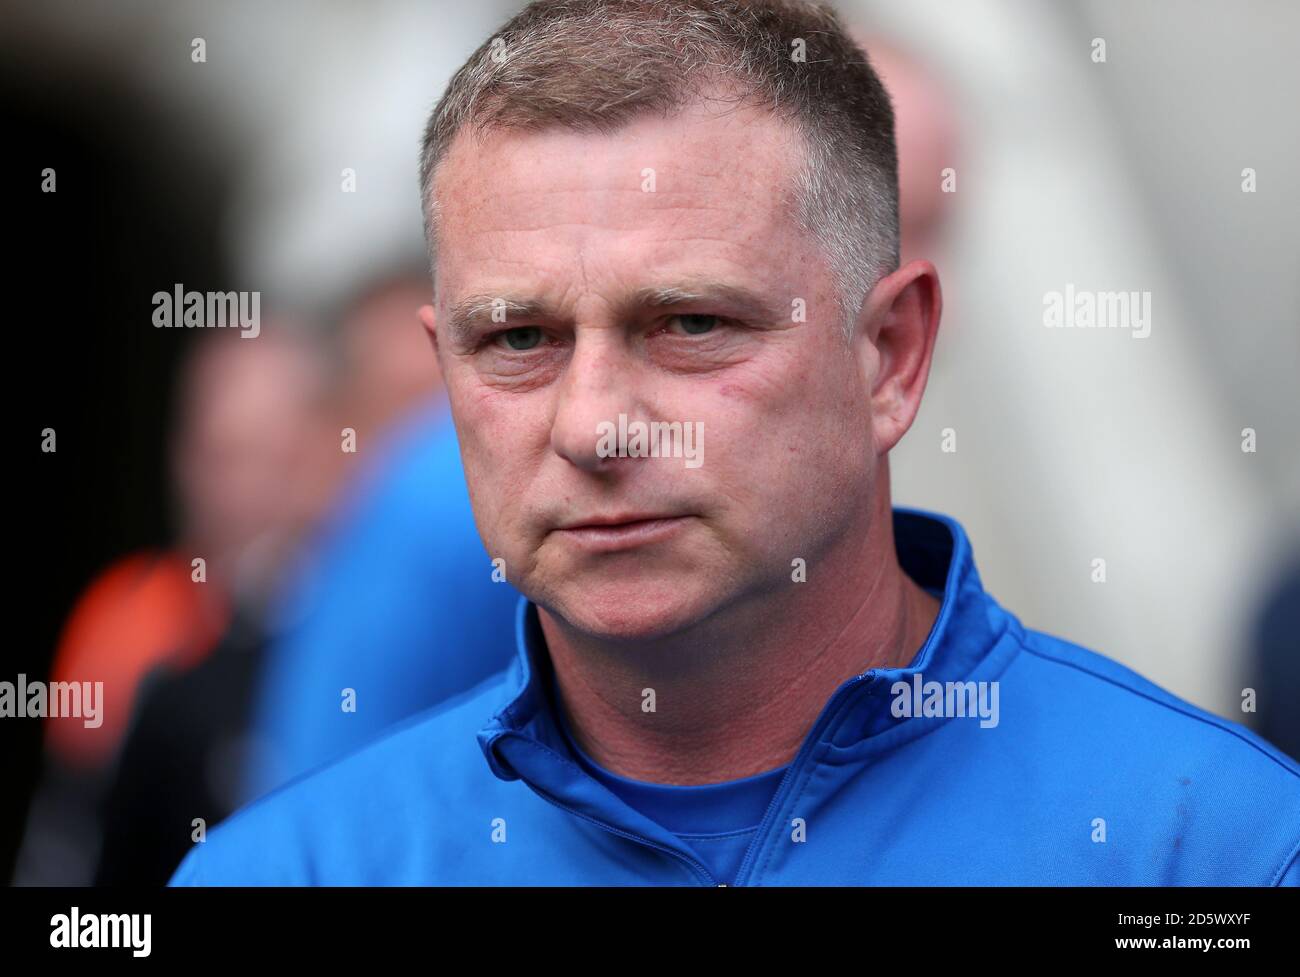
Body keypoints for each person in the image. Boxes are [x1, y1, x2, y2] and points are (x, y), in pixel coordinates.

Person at [169, 0, 1299, 886]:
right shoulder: (287, 873)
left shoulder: (1209, 852)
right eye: (518, 337)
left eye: (691, 324)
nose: (594, 423)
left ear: (891, 354)